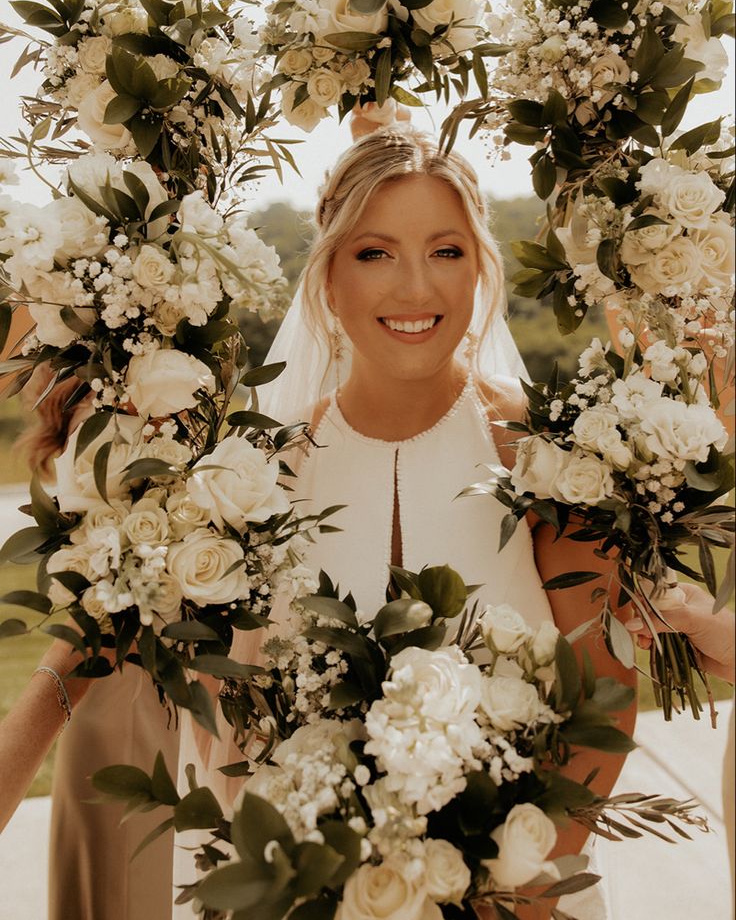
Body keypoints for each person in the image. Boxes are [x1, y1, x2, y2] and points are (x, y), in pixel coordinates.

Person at [177, 120, 637, 919]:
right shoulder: (266, 481)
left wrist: (511, 890)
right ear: (327, 277)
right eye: (375, 252)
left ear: (481, 271)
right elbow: (232, 743)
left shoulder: (545, 455)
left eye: (447, 251)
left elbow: (606, 694)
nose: (416, 288)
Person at [0, 329, 179, 920]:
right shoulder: (90, 391)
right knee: (113, 863)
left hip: (143, 664)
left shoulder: (160, 384)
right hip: (102, 663)